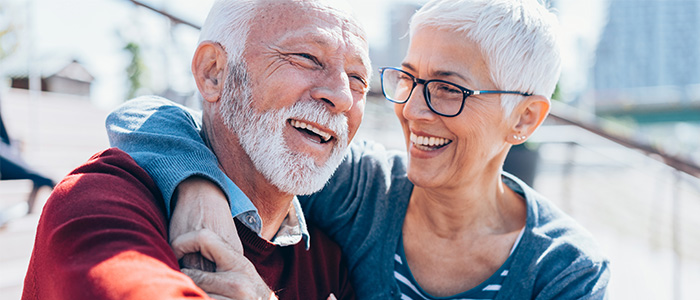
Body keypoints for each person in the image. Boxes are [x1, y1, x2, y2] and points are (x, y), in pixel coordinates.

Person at [107, 0, 610, 299]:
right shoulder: (363, 188)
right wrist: (201, 186)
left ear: (525, 119)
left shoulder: (565, 271)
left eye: (449, 90)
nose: (414, 110)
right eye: (408, 80)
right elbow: (147, 117)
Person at [23, 0, 371, 298]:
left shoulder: (327, 262)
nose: (341, 97)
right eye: (306, 57)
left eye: (358, 80)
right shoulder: (99, 201)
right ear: (213, 73)